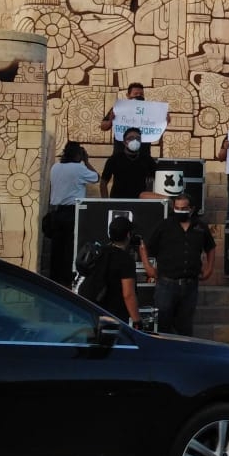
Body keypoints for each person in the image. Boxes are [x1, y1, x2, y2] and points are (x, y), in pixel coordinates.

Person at [140, 193, 215, 336]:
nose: (180, 211)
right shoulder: (164, 225)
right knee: (162, 325)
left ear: (191, 209)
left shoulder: (200, 226)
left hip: (190, 284)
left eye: (184, 208)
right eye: (177, 208)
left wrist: (210, 268)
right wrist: (148, 267)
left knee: (185, 326)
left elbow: (210, 247)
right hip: (166, 283)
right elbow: (145, 246)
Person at [47, 141, 99, 287]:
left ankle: (54, 281)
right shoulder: (79, 168)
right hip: (72, 212)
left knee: (56, 250)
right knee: (71, 249)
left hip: (56, 213)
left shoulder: (55, 167)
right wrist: (87, 162)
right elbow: (96, 178)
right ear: (78, 155)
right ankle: (67, 281)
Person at [98, 216, 144, 328]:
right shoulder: (125, 260)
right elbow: (128, 294)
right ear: (128, 235)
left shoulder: (100, 252)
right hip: (115, 315)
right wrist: (137, 321)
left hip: (95, 310)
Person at [99, 82, 168, 156]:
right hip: (121, 153)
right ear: (128, 96)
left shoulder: (150, 110)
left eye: (141, 94)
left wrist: (164, 121)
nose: (139, 96)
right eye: (135, 94)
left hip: (143, 154)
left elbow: (157, 127)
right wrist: (110, 121)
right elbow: (103, 127)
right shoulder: (119, 108)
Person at [100, 128, 156, 199]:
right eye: (131, 138)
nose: (135, 141)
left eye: (138, 138)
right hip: (118, 200)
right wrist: (105, 202)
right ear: (124, 142)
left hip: (140, 202)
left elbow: (156, 178)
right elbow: (103, 182)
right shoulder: (114, 159)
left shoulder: (147, 159)